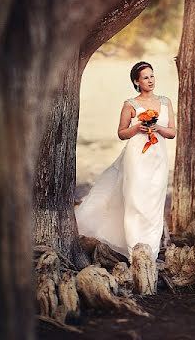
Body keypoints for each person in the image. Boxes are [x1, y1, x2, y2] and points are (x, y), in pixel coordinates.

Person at [75, 61, 176, 263]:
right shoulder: (130, 104)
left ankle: (152, 254)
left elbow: (172, 132)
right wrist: (138, 127)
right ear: (136, 82)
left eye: (152, 76)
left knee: (154, 202)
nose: (150, 80)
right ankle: (134, 254)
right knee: (135, 200)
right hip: (137, 156)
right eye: (145, 77)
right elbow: (122, 133)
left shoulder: (165, 102)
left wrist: (158, 129)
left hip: (158, 156)